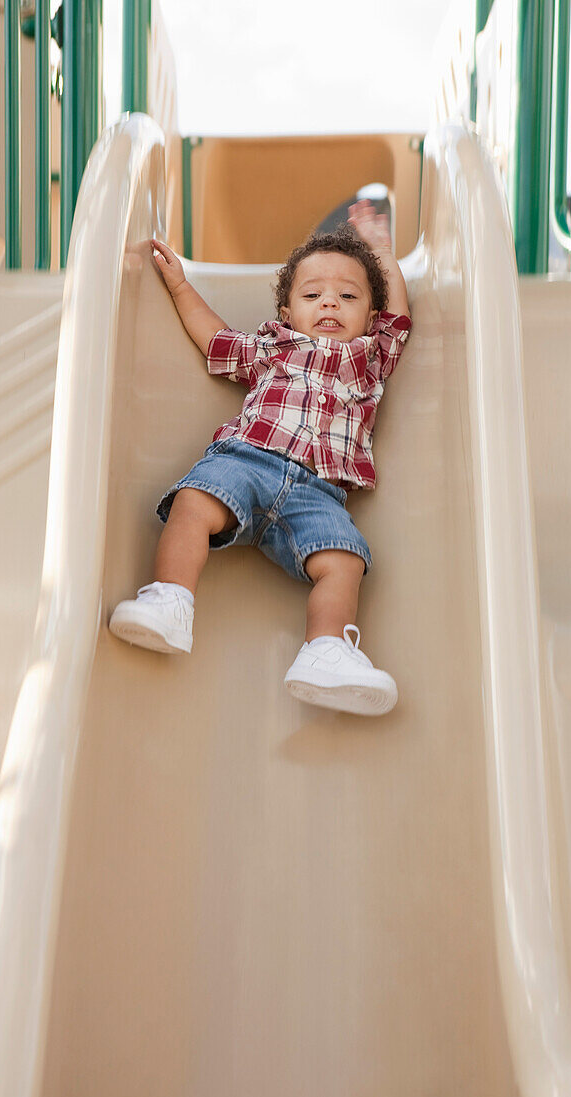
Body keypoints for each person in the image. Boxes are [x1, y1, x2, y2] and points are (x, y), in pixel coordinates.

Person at [109, 200, 412, 716]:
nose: (330, 305)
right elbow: (216, 341)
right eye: (313, 295)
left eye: (348, 296)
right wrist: (181, 287)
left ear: (370, 317)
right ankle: (170, 599)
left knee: (345, 561)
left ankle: (326, 650)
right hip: (248, 460)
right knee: (195, 501)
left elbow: (401, 314)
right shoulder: (274, 349)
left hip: (320, 494)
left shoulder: (371, 358)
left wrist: (382, 251)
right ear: (287, 313)